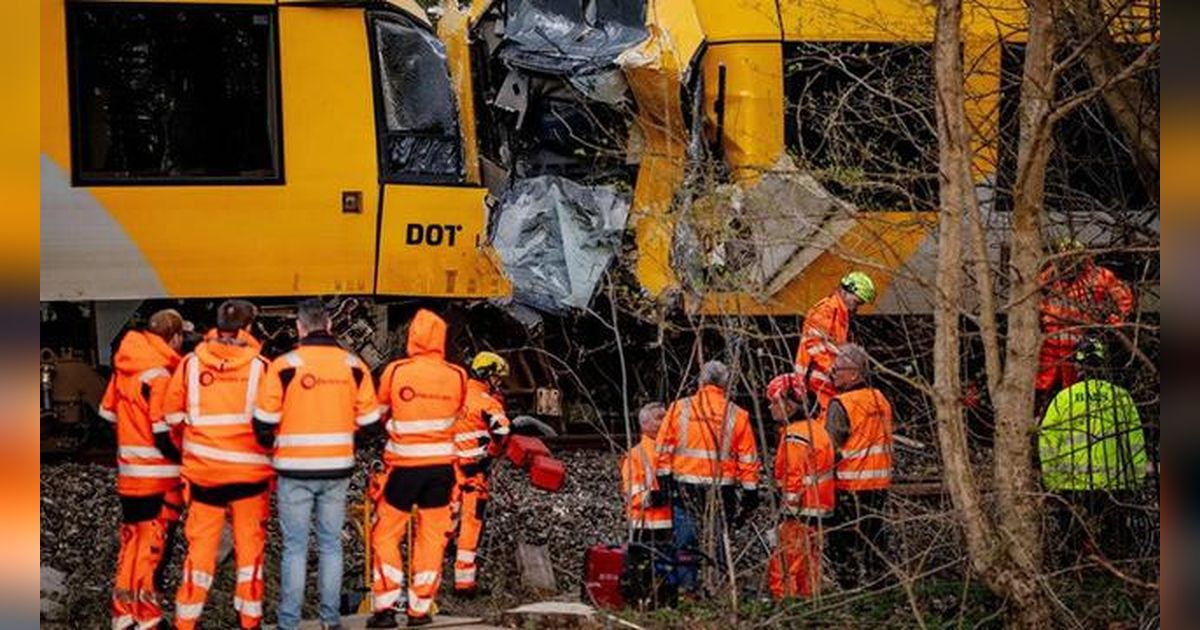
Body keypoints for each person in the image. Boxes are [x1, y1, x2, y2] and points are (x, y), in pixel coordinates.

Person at [253, 299, 382, 630]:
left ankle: (289, 623)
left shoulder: (284, 366)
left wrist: (277, 443)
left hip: (293, 470)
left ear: (299, 327)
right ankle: (330, 621)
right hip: (337, 469)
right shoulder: (353, 366)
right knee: (330, 545)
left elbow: (263, 423)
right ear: (329, 325)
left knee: (295, 548)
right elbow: (371, 423)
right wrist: (346, 432)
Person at [161, 300, 273, 629]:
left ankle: (186, 621)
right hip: (249, 479)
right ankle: (249, 621)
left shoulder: (190, 365)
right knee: (249, 552)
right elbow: (272, 423)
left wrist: (194, 449)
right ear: (248, 329)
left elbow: (172, 416)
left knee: (199, 553)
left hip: (204, 477)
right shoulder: (261, 368)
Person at [367, 309, 482, 628]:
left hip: (404, 468)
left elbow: (378, 412)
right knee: (432, 538)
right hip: (442, 471)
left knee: (386, 534)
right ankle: (420, 609)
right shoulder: (458, 375)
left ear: (413, 336)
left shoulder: (396, 371)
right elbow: (457, 413)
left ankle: (386, 608)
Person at [99, 309, 186, 630]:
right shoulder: (160, 376)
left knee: (131, 545)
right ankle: (148, 618)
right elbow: (163, 435)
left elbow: (107, 414)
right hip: (157, 479)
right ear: (173, 338)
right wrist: (185, 459)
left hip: (130, 475)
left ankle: (123, 615)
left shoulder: (124, 368)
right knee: (152, 550)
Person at [1039, 337, 1150, 565]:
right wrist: (1136, 479)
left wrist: (1052, 482)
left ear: (1078, 365)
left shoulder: (1064, 399)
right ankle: (1116, 574)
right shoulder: (1121, 398)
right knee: (1115, 538)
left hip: (1073, 484)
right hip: (1115, 484)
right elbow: (1136, 442)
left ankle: (1074, 573)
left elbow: (1048, 443)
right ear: (1103, 362)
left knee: (1072, 538)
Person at [653, 361, 760, 594]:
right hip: (722, 490)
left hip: (684, 487)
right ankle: (720, 587)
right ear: (726, 385)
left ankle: (686, 588)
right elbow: (748, 459)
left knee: (685, 541)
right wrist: (751, 493)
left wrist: (661, 482)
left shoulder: (680, 408)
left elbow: (662, 450)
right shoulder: (737, 414)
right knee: (719, 540)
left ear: (701, 382)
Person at [823, 344, 894, 589]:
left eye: (837, 369)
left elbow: (829, 447)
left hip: (850, 483)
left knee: (842, 538)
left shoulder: (841, 404)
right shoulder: (881, 400)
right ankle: (879, 583)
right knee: (874, 535)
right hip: (879, 483)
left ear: (854, 373)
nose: (832, 373)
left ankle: (848, 587)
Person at [1037, 237, 1134, 409]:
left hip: (1082, 347)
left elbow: (1124, 300)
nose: (1068, 262)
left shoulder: (1099, 276)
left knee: (1078, 394)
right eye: (1064, 258)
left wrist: (1112, 322)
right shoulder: (1049, 277)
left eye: (1073, 258)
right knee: (1043, 391)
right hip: (1051, 346)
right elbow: (1032, 300)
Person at [765, 373, 835, 601]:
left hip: (800, 510)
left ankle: (783, 602)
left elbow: (793, 476)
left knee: (786, 560)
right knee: (808, 562)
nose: (769, 407)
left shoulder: (796, 435)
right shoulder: (815, 428)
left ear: (789, 404)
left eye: (774, 402)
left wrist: (787, 507)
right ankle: (808, 604)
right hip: (818, 507)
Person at [449, 351, 514, 597]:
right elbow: (503, 431)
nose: (499, 382)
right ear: (487, 374)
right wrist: (492, 452)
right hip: (473, 474)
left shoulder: (454, 393)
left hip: (447, 470)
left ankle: (426, 577)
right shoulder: (488, 402)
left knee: (443, 522)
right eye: (497, 377)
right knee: (470, 525)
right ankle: (463, 584)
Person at [795, 271, 876, 411]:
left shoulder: (839, 314)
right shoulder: (827, 311)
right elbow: (814, 344)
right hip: (818, 380)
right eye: (857, 302)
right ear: (845, 292)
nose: (856, 307)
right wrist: (834, 369)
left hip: (824, 379)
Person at [621, 402, 672, 542]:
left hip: (670, 523)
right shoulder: (636, 455)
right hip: (645, 525)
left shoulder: (671, 450)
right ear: (644, 424)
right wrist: (656, 498)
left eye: (666, 417)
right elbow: (632, 494)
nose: (665, 422)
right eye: (659, 418)